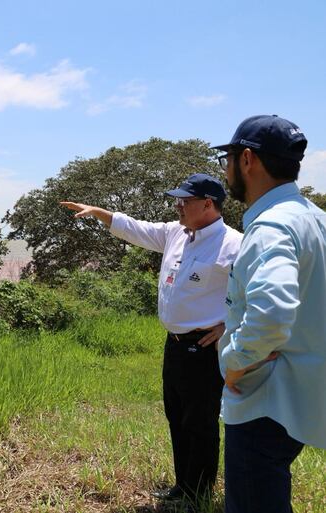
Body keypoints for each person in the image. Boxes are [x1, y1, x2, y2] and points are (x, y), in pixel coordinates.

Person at [61, 173, 242, 508]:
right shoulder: (176, 233)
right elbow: (137, 229)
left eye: (185, 200)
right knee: (176, 416)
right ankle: (182, 485)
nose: (178, 205)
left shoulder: (233, 244)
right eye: (177, 199)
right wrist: (100, 212)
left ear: (208, 204)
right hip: (174, 345)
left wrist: (229, 325)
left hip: (204, 348)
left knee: (199, 422)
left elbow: (256, 293)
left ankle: (198, 494)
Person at [213, 115, 326, 513]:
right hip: (304, 393)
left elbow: (272, 310)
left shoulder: (271, 227)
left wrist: (234, 361)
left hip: (264, 399)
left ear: (247, 160)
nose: (225, 170)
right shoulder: (314, 218)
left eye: (226, 159)